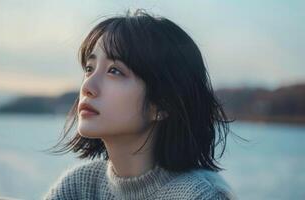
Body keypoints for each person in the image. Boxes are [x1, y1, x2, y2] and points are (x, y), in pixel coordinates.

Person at [43, 9, 237, 200]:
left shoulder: (199, 196)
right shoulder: (79, 187)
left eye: (114, 71)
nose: (87, 86)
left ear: (162, 104)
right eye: (89, 68)